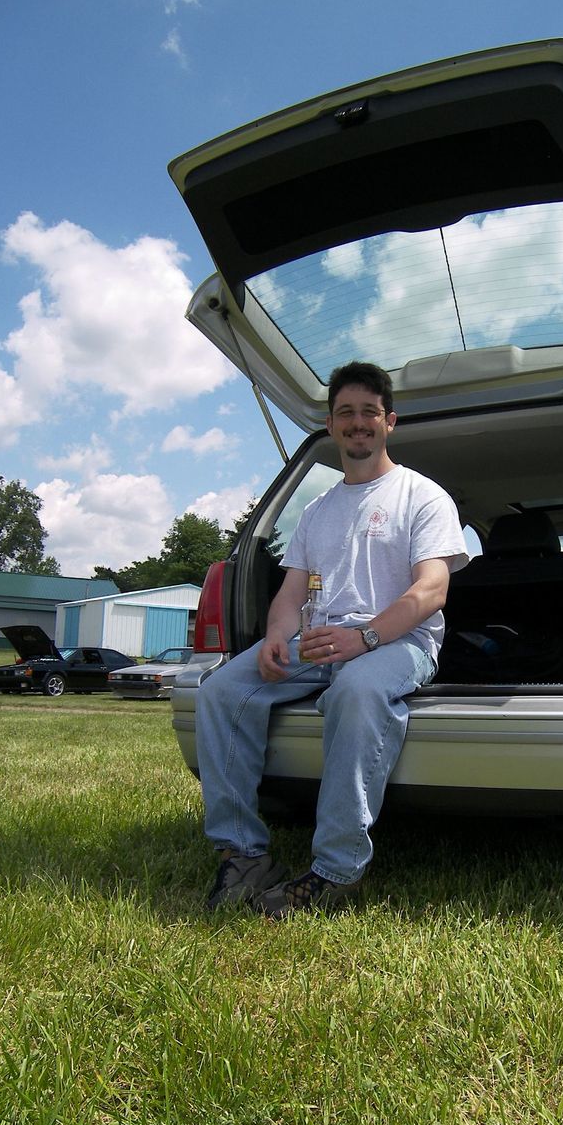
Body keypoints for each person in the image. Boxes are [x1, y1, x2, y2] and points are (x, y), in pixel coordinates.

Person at [195, 360, 469, 919]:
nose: (357, 422)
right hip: (321, 641)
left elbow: (432, 590)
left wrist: (363, 638)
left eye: (369, 412)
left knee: (355, 691)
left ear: (389, 421)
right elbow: (291, 594)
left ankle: (336, 870)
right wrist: (276, 638)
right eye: (346, 412)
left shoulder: (423, 496)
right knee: (221, 690)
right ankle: (242, 853)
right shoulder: (317, 511)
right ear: (331, 424)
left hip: (399, 642)